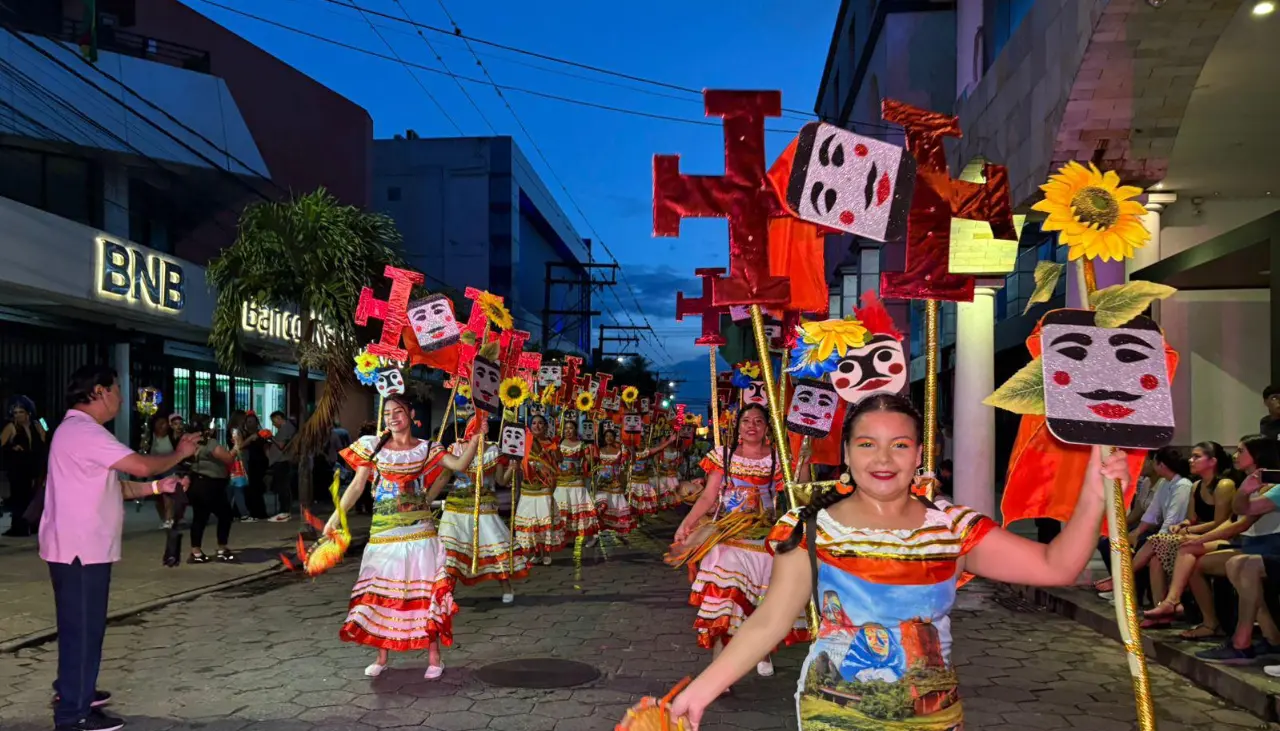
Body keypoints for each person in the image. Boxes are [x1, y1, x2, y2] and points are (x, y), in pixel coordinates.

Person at [664, 394, 1115, 729]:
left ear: (919, 454)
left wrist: (1095, 491)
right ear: (846, 454)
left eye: (899, 445)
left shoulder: (951, 528)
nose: (883, 458)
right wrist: (699, 692)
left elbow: (1058, 566)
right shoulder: (811, 528)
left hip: (933, 718)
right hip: (837, 716)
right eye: (866, 445)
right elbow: (769, 622)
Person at [42, 365, 197, 731]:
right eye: (116, 389)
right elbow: (141, 466)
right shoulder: (83, 432)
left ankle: (78, 695)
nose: (121, 398)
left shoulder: (80, 433)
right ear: (98, 391)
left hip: (80, 549)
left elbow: (116, 486)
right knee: (82, 631)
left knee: (84, 628)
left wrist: (159, 489)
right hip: (80, 550)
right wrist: (179, 452)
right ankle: (72, 715)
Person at [325, 395, 480, 679]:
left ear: (411, 414)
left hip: (420, 532)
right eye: (387, 413)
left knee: (423, 595)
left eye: (398, 412)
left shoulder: (426, 448)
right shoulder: (373, 447)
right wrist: (336, 517)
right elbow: (358, 485)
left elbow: (457, 466)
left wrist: (475, 440)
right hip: (384, 533)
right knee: (382, 594)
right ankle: (381, 656)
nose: (392, 417)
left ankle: (434, 658)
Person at [671, 404, 806, 679]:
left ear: (767, 427)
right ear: (738, 426)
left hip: (764, 541)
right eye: (746, 420)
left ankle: (762, 651)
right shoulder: (725, 456)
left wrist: (804, 460)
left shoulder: (777, 458)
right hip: (727, 539)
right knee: (724, 601)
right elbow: (708, 496)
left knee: (761, 600)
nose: (752, 425)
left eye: (758, 420)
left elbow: (797, 490)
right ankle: (719, 671)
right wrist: (687, 524)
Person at [1189, 435, 1280, 662]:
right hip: (1255, 545)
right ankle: (1267, 637)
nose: (1235, 456)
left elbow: (1243, 518)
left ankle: (1243, 641)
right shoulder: (1254, 482)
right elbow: (1242, 508)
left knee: (1240, 564)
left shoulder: (1275, 486)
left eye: (1241, 451)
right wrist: (1244, 491)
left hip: (1270, 546)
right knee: (1229, 563)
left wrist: (1200, 538)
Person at [1142, 441, 1242, 638]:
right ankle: (1161, 610)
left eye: (1196, 456)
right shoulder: (1196, 485)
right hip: (1203, 535)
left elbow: (1220, 522)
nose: (1190, 460)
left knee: (1167, 543)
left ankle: (1170, 601)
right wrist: (1183, 526)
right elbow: (1192, 517)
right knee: (1156, 556)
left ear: (1212, 461)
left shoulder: (1224, 485)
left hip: (1223, 536)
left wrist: (1192, 533)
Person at [437, 414, 526, 603]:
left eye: (482, 426)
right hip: (456, 508)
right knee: (450, 549)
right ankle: (447, 592)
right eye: (476, 425)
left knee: (494, 545)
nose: (479, 429)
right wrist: (426, 499)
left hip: (484, 508)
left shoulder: (494, 452)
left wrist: (512, 467)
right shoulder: (456, 448)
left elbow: (501, 481)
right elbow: (444, 477)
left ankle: (506, 586)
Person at [1101, 448, 1190, 602]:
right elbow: (1151, 513)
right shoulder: (1165, 484)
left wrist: (1156, 539)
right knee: (1125, 540)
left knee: (1147, 544)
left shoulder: (1182, 485)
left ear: (1160, 465)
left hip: (1175, 533)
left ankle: (1122, 581)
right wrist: (1136, 532)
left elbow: (1172, 520)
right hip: (1163, 533)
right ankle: (1129, 588)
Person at [185, 415, 238, 563]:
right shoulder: (211, 444)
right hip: (210, 485)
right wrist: (236, 447)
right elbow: (228, 458)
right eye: (211, 425)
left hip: (196, 483)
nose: (213, 427)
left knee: (199, 517)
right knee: (225, 515)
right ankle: (222, 548)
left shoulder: (190, 443)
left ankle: (196, 551)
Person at [513, 414, 563, 564]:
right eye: (534, 423)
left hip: (545, 487)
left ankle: (546, 552)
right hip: (528, 487)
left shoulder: (550, 443)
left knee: (543, 520)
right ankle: (536, 552)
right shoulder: (523, 443)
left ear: (546, 427)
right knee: (530, 521)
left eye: (540, 423)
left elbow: (559, 460)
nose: (537, 426)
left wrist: (554, 450)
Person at [2, 395, 46, 537]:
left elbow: (48, 437)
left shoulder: (40, 422)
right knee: (19, 497)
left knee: (35, 496)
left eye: (21, 412)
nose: (18, 415)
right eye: (15, 413)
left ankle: (32, 525)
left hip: (36, 466)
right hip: (18, 468)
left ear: (28, 412)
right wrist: (12, 447)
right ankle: (19, 527)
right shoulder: (11, 426)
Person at [553, 419, 598, 545]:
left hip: (577, 482)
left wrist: (590, 450)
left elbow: (589, 462)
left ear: (575, 430)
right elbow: (557, 460)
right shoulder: (560, 443)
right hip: (562, 481)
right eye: (566, 428)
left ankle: (589, 536)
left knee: (579, 509)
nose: (568, 431)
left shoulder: (582, 444)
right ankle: (566, 536)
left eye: (570, 428)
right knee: (563, 509)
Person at [594, 427, 634, 536]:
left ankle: (614, 528)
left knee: (615, 506)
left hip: (615, 483)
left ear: (614, 438)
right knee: (601, 506)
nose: (609, 438)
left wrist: (629, 447)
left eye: (611, 436)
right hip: (602, 483)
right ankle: (598, 529)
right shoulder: (599, 449)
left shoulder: (620, 451)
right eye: (607, 436)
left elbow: (629, 462)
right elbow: (592, 463)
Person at [628, 432, 677, 519]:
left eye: (643, 441)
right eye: (639, 442)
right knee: (633, 502)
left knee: (642, 502)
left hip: (644, 480)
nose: (641, 443)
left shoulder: (647, 452)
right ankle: (636, 519)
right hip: (633, 481)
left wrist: (669, 441)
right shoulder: (630, 452)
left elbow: (660, 448)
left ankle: (641, 519)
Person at [146, 414, 178, 530]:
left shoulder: (171, 437)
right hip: (154, 468)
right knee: (157, 496)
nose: (163, 426)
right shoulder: (150, 437)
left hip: (169, 467)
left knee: (168, 495)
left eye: (164, 424)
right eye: (160, 424)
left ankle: (170, 519)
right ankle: (163, 518)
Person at [237, 412, 270, 520]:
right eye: (248, 421)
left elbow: (266, 448)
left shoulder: (261, 434)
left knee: (257, 487)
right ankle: (250, 511)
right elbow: (240, 446)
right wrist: (251, 438)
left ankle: (259, 511)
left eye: (253, 421)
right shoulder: (244, 434)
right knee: (250, 488)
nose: (251, 424)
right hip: (249, 463)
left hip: (260, 462)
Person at [265, 411, 296, 522]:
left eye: (274, 421)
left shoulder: (287, 429)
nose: (273, 424)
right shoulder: (284, 429)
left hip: (282, 461)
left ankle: (284, 512)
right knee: (281, 487)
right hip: (279, 461)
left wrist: (271, 437)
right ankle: (283, 511)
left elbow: (281, 445)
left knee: (283, 487)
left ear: (279, 418)